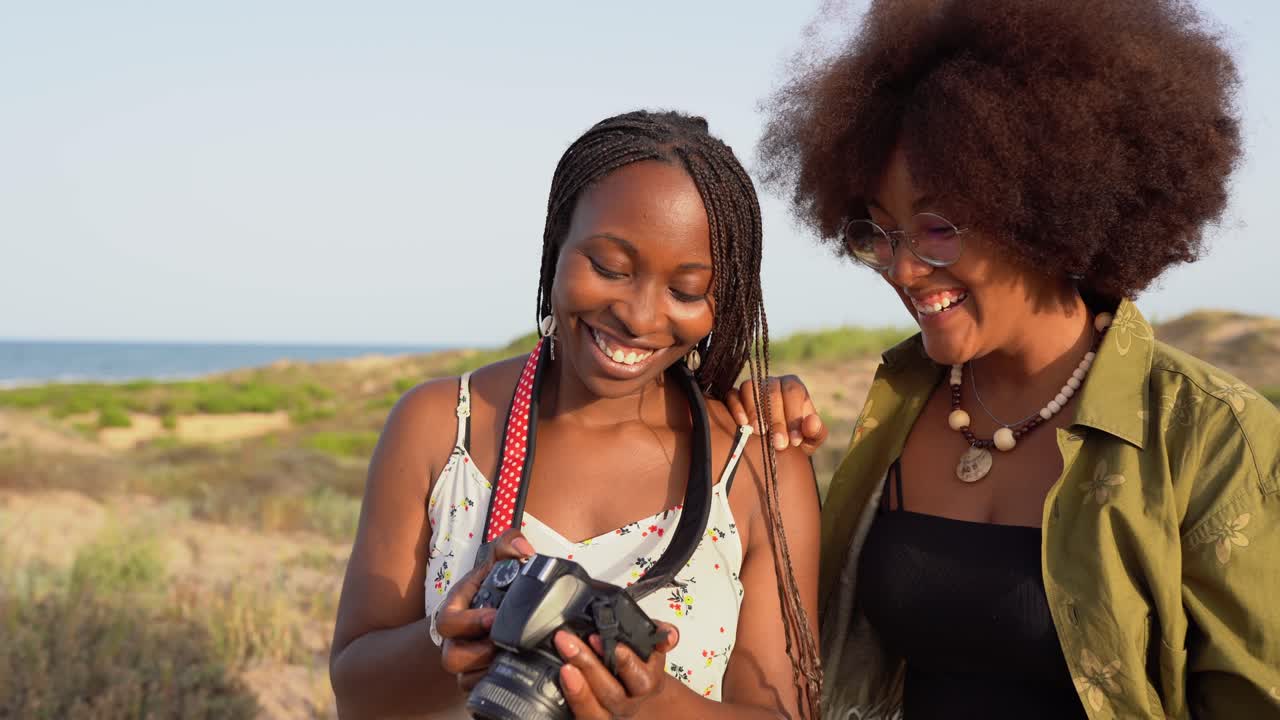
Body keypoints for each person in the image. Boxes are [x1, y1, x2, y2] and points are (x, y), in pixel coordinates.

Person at [731, 0, 1280, 717]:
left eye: (937, 228)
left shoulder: (1209, 436)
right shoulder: (895, 406)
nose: (901, 269)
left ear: (1044, 207)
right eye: (882, 233)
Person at [330, 110, 821, 719]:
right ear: (556, 241)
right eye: (611, 268)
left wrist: (651, 704)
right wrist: (452, 638)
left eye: (687, 292)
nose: (639, 317)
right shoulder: (439, 427)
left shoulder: (755, 473)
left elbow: (787, 711)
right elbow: (355, 691)